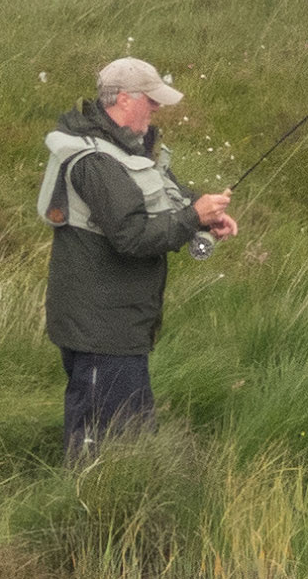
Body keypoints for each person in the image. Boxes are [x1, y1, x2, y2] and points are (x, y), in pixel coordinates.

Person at [38, 56, 236, 459]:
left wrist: (200, 219)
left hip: (121, 325)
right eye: (152, 99)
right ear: (124, 100)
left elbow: (158, 205)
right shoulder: (97, 162)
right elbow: (130, 235)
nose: (158, 108)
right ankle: (88, 516)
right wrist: (192, 217)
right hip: (100, 330)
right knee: (102, 447)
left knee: (131, 441)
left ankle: (121, 513)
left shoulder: (125, 150)